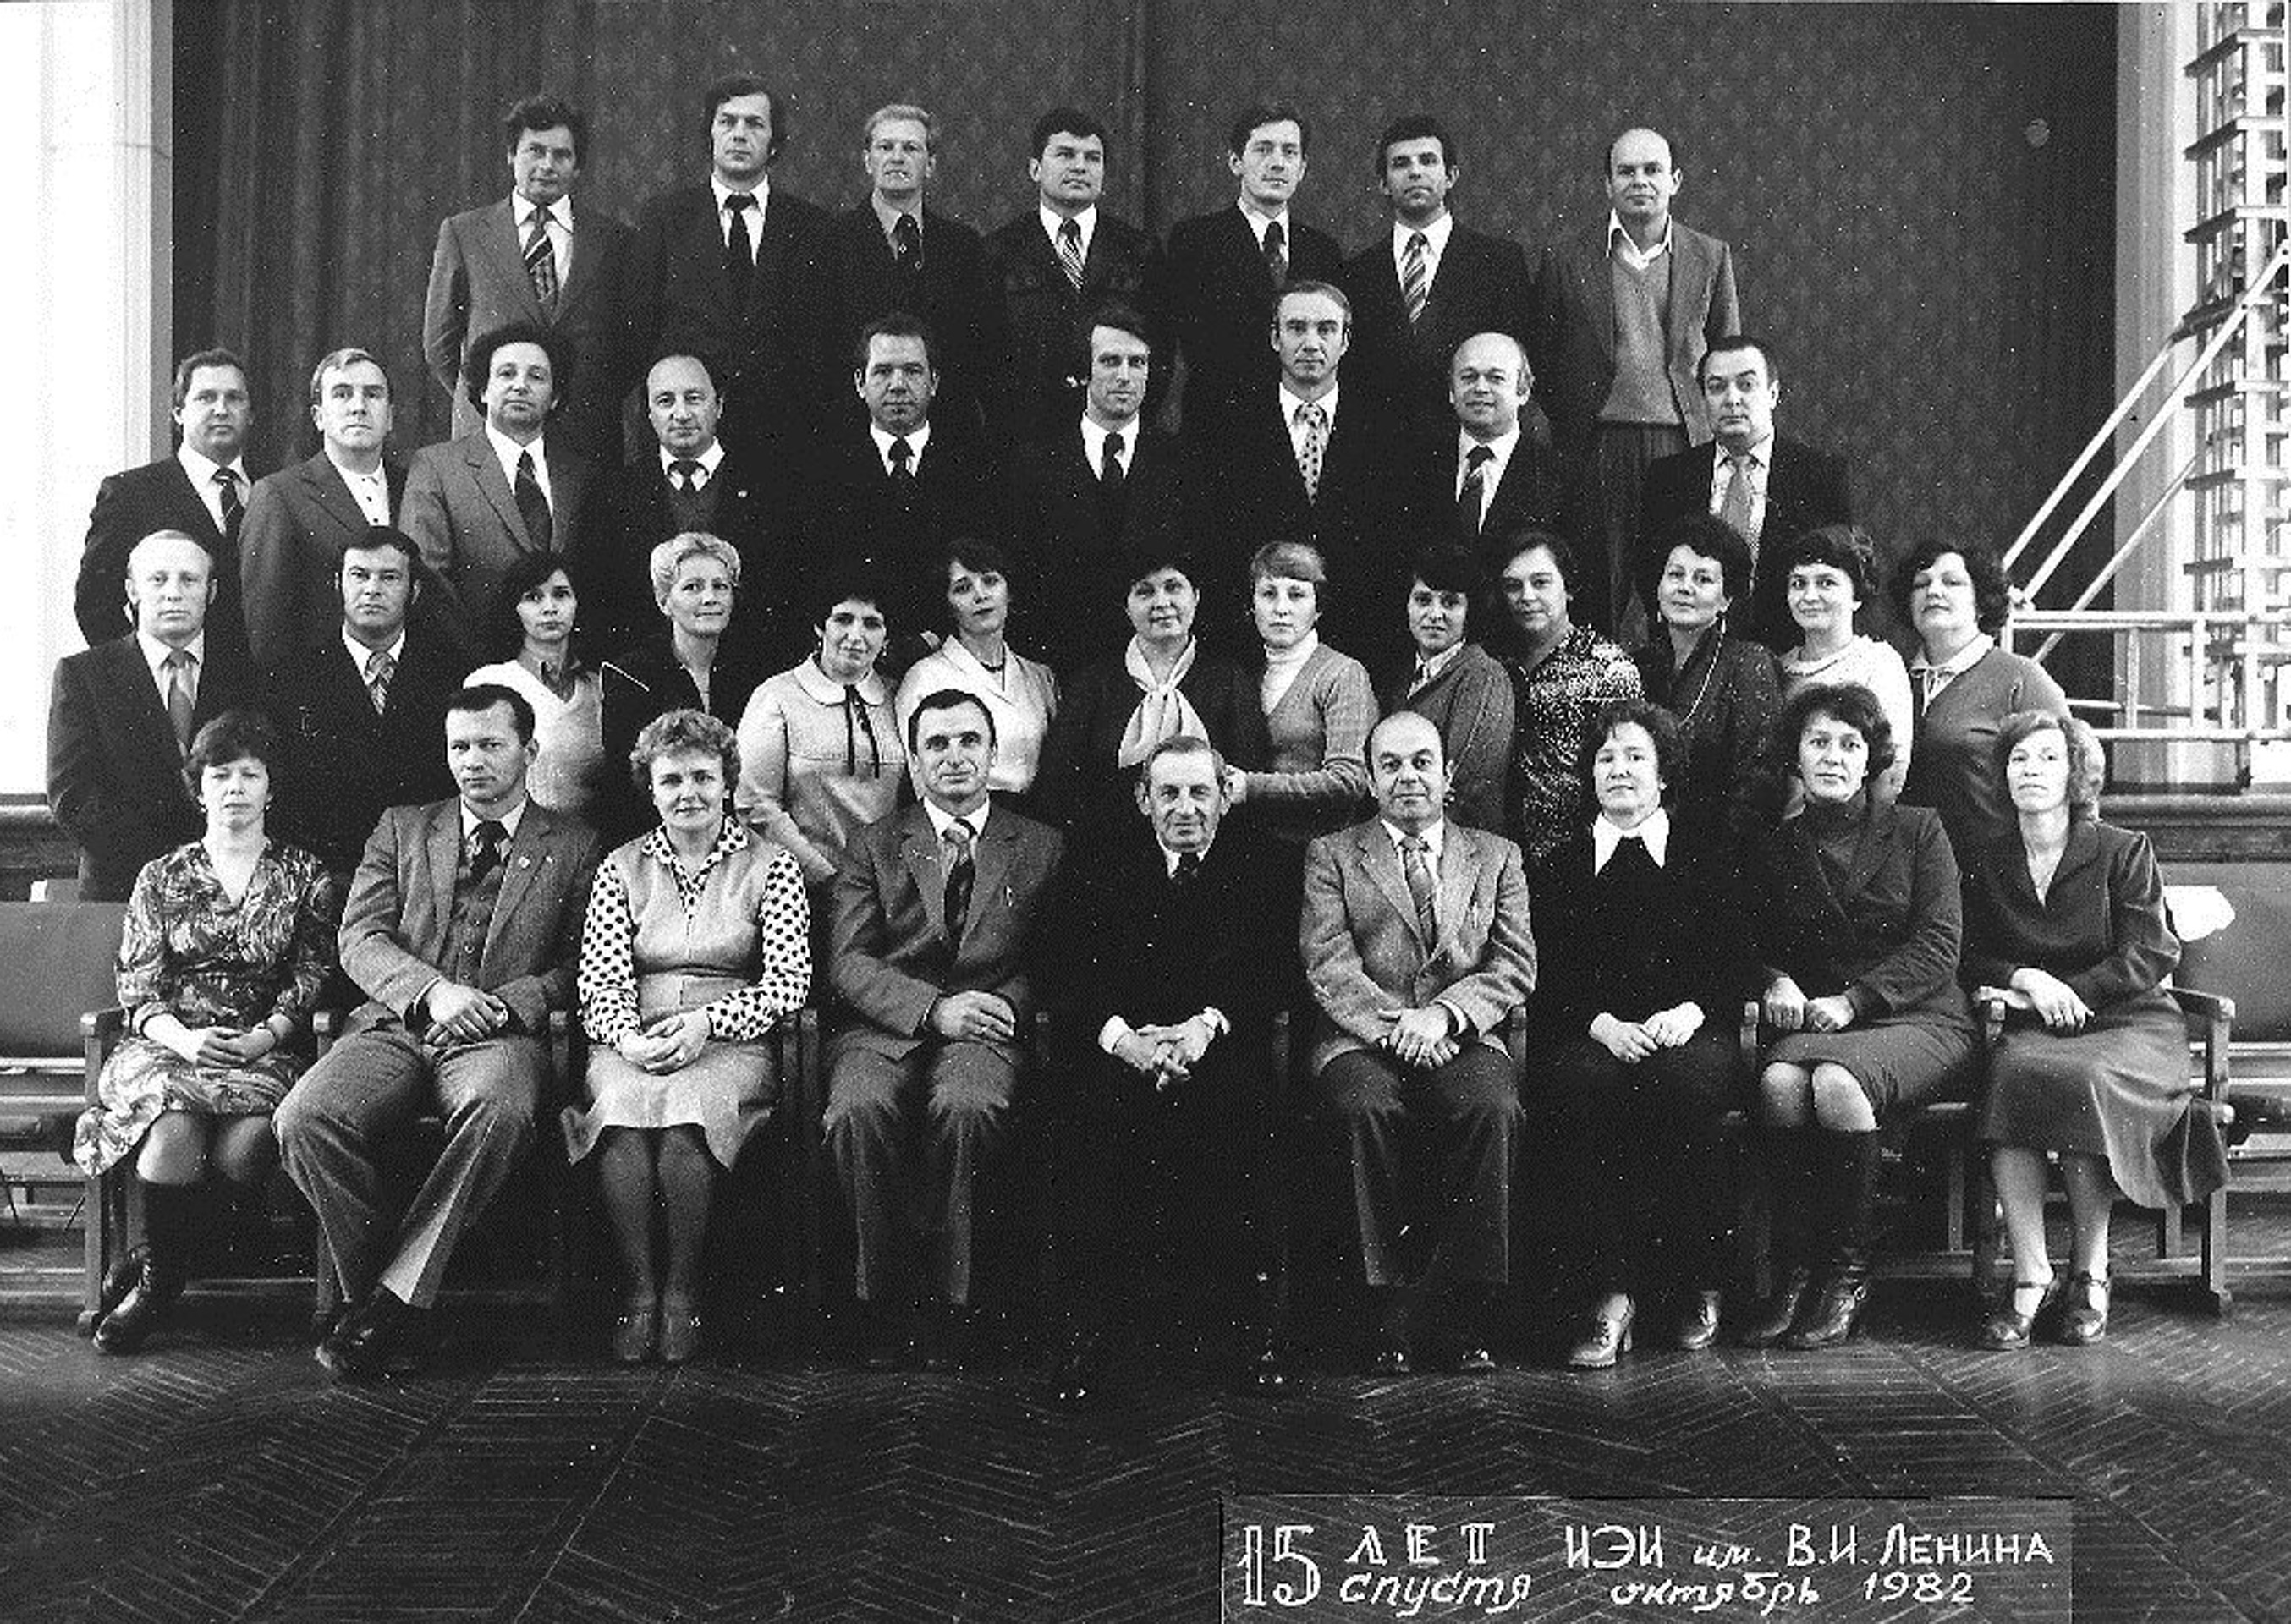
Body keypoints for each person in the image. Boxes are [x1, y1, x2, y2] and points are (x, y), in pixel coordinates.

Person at [275, 684, 603, 1381]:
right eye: (460, 747)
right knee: (304, 1117)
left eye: (491, 745)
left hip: (498, 1036)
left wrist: (505, 1003)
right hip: (398, 1025)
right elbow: (360, 939)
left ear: (529, 750)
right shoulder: (402, 828)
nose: (473, 761)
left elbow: (581, 965)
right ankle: (395, 1301)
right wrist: (434, 993)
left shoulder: (575, 845)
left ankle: (383, 1309)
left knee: (500, 1111)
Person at [74, 710, 338, 1353]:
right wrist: (188, 1041)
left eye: (250, 774)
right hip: (167, 1045)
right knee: (172, 1135)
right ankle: (159, 1283)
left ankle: (157, 1252)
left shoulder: (305, 876)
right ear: (199, 789)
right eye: (220, 775)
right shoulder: (161, 876)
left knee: (245, 1148)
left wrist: (264, 1037)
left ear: (271, 788)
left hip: (262, 1046)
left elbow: (312, 974)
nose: (235, 788)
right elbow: (138, 987)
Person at [1963, 712, 2225, 1350]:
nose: (2031, 770)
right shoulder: (1987, 858)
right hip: (2035, 1019)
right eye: (2019, 759)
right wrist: (2029, 979)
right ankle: (2031, 1276)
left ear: (2075, 775)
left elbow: (2151, 952)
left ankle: (2091, 1274)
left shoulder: (2122, 849)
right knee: (2011, 1075)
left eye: (2049, 758)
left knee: (2084, 1081)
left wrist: (2074, 992)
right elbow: (1967, 952)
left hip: (2129, 1021)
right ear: (2003, 775)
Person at [825, 689, 1064, 1370]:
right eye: (937, 744)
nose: (954, 757)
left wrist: (1001, 1005)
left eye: (968, 741)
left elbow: (1055, 955)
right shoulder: (873, 843)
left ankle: (958, 1308)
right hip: (886, 1026)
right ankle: (882, 1304)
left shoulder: (1040, 845)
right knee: (857, 1109)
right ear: (913, 758)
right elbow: (849, 960)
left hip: (987, 1021)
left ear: (994, 753)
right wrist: (932, 1010)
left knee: (968, 1106)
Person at [566, 710, 810, 1365]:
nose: (688, 793)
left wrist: (708, 1024)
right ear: (651, 789)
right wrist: (627, 1038)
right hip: (634, 1035)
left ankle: (682, 1293)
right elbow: (599, 979)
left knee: (684, 1121)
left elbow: (788, 983)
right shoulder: (621, 867)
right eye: (671, 780)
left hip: (731, 1038)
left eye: (703, 777)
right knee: (621, 1115)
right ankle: (639, 1293)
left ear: (728, 782)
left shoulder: (773, 866)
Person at [1738, 683, 1977, 1351]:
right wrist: (1775, 978)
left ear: (1871, 759)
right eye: (1818, 742)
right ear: (1796, 756)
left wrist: (1855, 1001)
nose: (1833, 757)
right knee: (1779, 1083)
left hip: (1920, 1018)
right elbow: (1747, 944)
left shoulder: (1919, 830)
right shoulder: (1774, 847)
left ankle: (1846, 1278)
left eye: (1850, 744)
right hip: (1821, 1025)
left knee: (1834, 1083)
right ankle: (1797, 1273)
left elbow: (1939, 945)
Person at [1047, 736, 1285, 1404]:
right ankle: (1084, 1336)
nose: (1186, 808)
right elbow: (1065, 970)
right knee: (1087, 1127)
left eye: (1200, 792)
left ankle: (1255, 1336)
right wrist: (1127, 1043)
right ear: (1143, 800)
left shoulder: (1261, 867)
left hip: (1216, 1049)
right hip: (1123, 1052)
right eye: (1170, 793)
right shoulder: (1099, 865)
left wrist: (1203, 1029)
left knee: (1247, 1122)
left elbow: (1273, 972)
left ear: (1225, 797)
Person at [1303, 710, 1536, 1374]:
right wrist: (1398, 1028)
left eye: (1422, 762)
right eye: (1392, 764)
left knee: (1491, 1106)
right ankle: (1387, 1316)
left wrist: (1445, 1018)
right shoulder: (1332, 855)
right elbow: (1329, 965)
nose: (1408, 776)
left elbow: (1514, 964)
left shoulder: (1496, 856)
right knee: (1362, 1108)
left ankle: (1466, 1317)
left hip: (1461, 1034)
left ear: (1448, 773)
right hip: (1361, 1037)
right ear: (1371, 779)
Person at [1530, 700, 1744, 1367]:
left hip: (1690, 1030)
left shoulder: (1707, 856)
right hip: (1592, 1032)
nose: (1619, 769)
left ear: (1664, 772)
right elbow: (1546, 972)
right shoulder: (1559, 866)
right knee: (1582, 1088)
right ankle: (1611, 1294)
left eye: (1635, 756)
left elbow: (1735, 962)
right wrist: (1603, 1026)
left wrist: (1688, 1014)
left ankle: (1694, 1283)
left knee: (1678, 1088)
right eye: (1606, 758)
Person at [1535, 127, 1742, 634]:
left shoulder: (1710, 256)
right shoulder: (1567, 256)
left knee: (1677, 576)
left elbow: (1729, 355)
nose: (1640, 181)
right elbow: (1540, 356)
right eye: (1626, 172)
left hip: (1683, 440)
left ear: (1675, 180)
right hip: (1598, 442)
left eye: (1652, 170)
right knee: (1600, 579)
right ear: (1607, 184)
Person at [1198, 281, 1417, 659]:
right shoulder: (1230, 428)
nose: (1311, 343)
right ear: (1275, 338)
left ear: (1345, 342)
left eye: (1326, 329)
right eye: (1297, 328)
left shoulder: (1387, 428)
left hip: (1361, 638)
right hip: (1255, 644)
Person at [422, 94, 633, 464]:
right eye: (535, 151)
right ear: (511, 156)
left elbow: (630, 347)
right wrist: (488, 400)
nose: (547, 165)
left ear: (577, 166)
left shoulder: (613, 240)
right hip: (490, 435)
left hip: (585, 439)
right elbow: (440, 343)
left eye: (561, 155)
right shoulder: (464, 233)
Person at [629, 75, 832, 458]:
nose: (739, 134)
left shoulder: (812, 227)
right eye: (727, 122)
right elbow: (639, 329)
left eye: (755, 124)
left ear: (775, 142)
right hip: (688, 434)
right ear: (710, 134)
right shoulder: (665, 218)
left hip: (784, 437)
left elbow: (822, 343)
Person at [49, 531, 258, 902]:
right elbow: (73, 796)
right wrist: (174, 867)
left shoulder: (246, 675)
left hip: (231, 889)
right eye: (158, 579)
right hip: (123, 891)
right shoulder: (83, 677)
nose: (173, 593)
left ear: (211, 592)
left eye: (189, 579)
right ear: (132, 590)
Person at [261, 528, 461, 881]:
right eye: (359, 575)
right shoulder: (290, 679)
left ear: (414, 590)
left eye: (389, 577)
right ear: (338, 584)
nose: (372, 589)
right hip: (326, 875)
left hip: (426, 872)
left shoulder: (450, 673)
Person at [1034, 541, 1268, 842]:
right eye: (1145, 592)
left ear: (1196, 596)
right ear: (1126, 607)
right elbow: (1058, 786)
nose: (1161, 603)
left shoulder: (1229, 679)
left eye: (1173, 587)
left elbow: (1248, 780)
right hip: (1111, 846)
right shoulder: (1094, 683)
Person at [798, 313, 1002, 652]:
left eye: (912, 371)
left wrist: (933, 638)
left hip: (954, 651)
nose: (897, 385)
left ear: (934, 382)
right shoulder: (823, 472)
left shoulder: (976, 468)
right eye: (882, 371)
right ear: (860, 383)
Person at [399, 321, 595, 666]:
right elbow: (428, 581)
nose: (520, 385)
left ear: (555, 397)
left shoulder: (581, 475)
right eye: (506, 374)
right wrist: (489, 665)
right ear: (483, 391)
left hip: (568, 669)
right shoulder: (437, 466)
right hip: (472, 668)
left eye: (537, 376)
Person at [1008, 304, 1189, 673]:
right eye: (1110, 361)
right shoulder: (1035, 464)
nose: (1124, 376)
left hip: (1158, 665)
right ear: (1085, 371)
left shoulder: (1180, 462)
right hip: (1065, 664)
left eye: (1137, 363)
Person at [1640, 336, 1854, 649]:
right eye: (1716, 387)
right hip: (1690, 652)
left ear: (1773, 394)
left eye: (1746, 385)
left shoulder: (1820, 475)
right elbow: (1649, 573)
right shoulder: (1668, 477)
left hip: (1789, 652)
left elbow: (1840, 575)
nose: (1732, 399)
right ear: (1703, 399)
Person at [1224, 540, 1375, 979]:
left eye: (1297, 594)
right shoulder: (1248, 675)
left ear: (1318, 607)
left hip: (1320, 862)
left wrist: (1251, 787)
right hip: (1257, 856)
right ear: (1252, 604)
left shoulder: (1341, 674)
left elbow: (1348, 780)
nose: (1281, 609)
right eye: (1268, 594)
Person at [1340, 117, 1536, 453]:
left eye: (1428, 160)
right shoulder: (1356, 273)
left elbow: (1519, 365)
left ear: (1451, 176)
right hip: (1380, 452)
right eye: (1401, 164)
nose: (1415, 172)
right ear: (1383, 184)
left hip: (1468, 450)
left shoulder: (1498, 261)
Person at [585, 348, 794, 658]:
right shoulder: (612, 493)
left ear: (719, 405)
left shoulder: (771, 487)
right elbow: (601, 599)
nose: (681, 414)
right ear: (649, 413)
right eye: (665, 401)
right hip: (647, 671)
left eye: (694, 398)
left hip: (752, 666)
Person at [981, 108, 1164, 446]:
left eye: (1092, 158)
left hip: (1112, 436)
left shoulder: (1139, 250)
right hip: (1024, 440)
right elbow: (983, 357)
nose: (1080, 167)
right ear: (1035, 169)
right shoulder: (998, 251)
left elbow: (1161, 351)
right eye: (1065, 155)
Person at [1164, 103, 1342, 451]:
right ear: (1236, 162)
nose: (1277, 162)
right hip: (1220, 432)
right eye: (1263, 149)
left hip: (1300, 433)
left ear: (1303, 168)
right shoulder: (1196, 241)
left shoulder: (1322, 250)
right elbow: (1197, 345)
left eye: (1289, 152)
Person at [75, 348, 257, 661]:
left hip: (263, 686)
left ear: (251, 414)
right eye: (206, 398)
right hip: (176, 683)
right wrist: (146, 674)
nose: (221, 409)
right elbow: (96, 605)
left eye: (234, 398)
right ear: (178, 413)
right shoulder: (131, 493)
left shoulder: (274, 490)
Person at [822, 104, 992, 433]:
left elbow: (978, 350)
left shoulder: (963, 246)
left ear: (930, 164)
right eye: (886, 147)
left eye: (911, 148)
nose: (897, 158)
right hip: (853, 430)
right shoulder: (829, 241)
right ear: (867, 160)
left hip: (945, 430)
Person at [1895, 537, 2070, 856]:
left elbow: (2073, 785)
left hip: (1995, 870)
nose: (1933, 591)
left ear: (1981, 602)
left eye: (1952, 582)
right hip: (1912, 869)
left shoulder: (2022, 678)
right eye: (1921, 584)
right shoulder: (1894, 679)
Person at [734, 573, 908, 895]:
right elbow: (756, 805)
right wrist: (825, 877)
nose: (856, 636)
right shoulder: (777, 696)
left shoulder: (899, 697)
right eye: (843, 620)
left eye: (872, 624)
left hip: (888, 890)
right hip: (805, 887)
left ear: (886, 636)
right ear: (820, 627)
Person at [598, 533, 772, 842]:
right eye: (693, 587)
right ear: (664, 601)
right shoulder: (631, 676)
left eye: (721, 586)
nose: (710, 598)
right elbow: (628, 790)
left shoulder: (754, 672)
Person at [239, 348, 405, 668]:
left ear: (390, 417)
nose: (358, 407)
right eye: (342, 394)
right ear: (318, 417)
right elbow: (266, 627)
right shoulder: (279, 495)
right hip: (319, 686)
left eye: (372, 395)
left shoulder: (415, 486)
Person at [1488, 531, 1642, 862]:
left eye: (1541, 583)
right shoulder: (1494, 665)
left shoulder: (1608, 667)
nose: (1526, 596)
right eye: (1513, 586)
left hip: (1576, 856)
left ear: (1568, 587)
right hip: (1497, 851)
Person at [1633, 515, 1784, 851]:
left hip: (1717, 856)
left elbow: (1759, 787)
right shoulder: (1637, 665)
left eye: (1703, 579)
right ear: (1658, 585)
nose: (1685, 587)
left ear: (1726, 599)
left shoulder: (1747, 663)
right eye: (1675, 575)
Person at [895, 540, 1059, 805]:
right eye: (962, 588)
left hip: (1038, 822)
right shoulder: (925, 678)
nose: (980, 595)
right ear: (948, 605)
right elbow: (924, 784)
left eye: (990, 581)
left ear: (1009, 592)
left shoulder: (1040, 677)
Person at [1377, 547, 1514, 833]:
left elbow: (1466, 784)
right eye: (1423, 600)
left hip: (1461, 841)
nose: (1435, 614)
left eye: (1450, 603)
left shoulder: (1483, 676)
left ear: (1469, 612)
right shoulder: (1401, 679)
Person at [464, 552, 610, 820]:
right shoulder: (489, 682)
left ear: (577, 603)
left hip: (591, 837)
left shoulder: (599, 686)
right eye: (533, 597)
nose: (550, 608)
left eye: (561, 595)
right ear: (514, 609)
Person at [1774, 524, 1913, 804]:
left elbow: (1889, 775)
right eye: (1798, 584)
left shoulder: (1878, 663)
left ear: (1857, 596)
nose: (1809, 596)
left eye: (1826, 583)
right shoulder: (1778, 667)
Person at [1438, 332, 1573, 551]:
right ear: (1452, 392)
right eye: (1469, 377)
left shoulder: (1561, 476)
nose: (1480, 388)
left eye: (1496, 378)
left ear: (1523, 392)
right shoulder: (1418, 465)